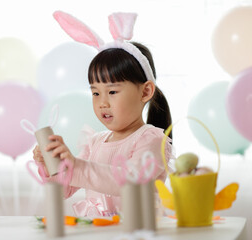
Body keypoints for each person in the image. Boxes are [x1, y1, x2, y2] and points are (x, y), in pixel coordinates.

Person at [33, 12, 173, 217]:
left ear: (145, 92)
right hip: (100, 231)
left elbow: (130, 179)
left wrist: (76, 166)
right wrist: (53, 164)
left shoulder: (151, 140)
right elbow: (66, 188)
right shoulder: (95, 142)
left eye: (112, 92)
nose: (102, 102)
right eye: (95, 93)